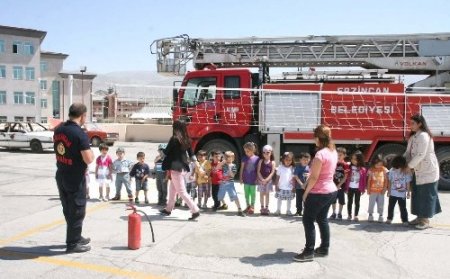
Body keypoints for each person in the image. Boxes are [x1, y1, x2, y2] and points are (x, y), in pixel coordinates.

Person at [54, 103, 94, 253]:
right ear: (83, 115)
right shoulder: (79, 134)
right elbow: (89, 159)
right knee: (77, 209)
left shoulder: (59, 129)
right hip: (75, 177)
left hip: (61, 174)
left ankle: (76, 236)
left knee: (68, 208)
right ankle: (72, 243)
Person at [294, 125, 338, 262]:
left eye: (314, 137)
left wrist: (306, 193)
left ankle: (308, 252)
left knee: (308, 220)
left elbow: (314, 177)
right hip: (331, 190)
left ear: (318, 138)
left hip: (319, 192)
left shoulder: (320, 154)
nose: (314, 140)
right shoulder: (333, 151)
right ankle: (324, 248)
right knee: (322, 219)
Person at [405, 114, 441, 229]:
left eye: (413, 123)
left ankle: (425, 220)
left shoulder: (424, 136)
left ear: (420, 124)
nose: (410, 126)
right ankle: (419, 217)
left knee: (426, 194)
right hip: (417, 170)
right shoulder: (413, 136)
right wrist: (400, 163)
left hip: (427, 171)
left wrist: (409, 166)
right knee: (417, 193)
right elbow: (407, 152)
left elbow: (421, 154)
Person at [159, 120, 200, 220]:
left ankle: (195, 210)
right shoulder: (187, 139)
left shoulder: (174, 139)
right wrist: (197, 164)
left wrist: (160, 155)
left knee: (181, 191)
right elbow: (192, 155)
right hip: (183, 167)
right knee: (172, 189)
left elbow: (165, 152)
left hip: (175, 168)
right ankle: (168, 209)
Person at [217, 151, 246, 216]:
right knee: (220, 196)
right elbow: (217, 168)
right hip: (223, 183)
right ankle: (224, 204)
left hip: (230, 184)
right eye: (225, 156)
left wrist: (229, 168)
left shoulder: (233, 166)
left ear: (232, 158)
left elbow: (232, 175)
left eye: (228, 157)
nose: (227, 158)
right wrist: (222, 162)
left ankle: (239, 209)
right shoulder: (223, 164)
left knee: (234, 196)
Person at [386, 155, 411, 225]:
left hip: (402, 194)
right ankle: (389, 218)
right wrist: (389, 191)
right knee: (391, 206)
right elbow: (390, 181)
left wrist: (408, 193)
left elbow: (407, 182)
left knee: (403, 208)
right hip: (393, 193)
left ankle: (405, 220)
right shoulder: (391, 170)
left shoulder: (405, 171)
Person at [344, 150, 367, 221]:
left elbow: (364, 180)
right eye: (352, 159)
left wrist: (363, 189)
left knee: (357, 202)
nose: (353, 161)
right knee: (349, 201)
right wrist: (346, 188)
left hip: (358, 189)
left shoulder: (363, 169)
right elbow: (346, 178)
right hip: (350, 188)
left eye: (355, 159)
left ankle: (356, 215)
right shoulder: (349, 167)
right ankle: (349, 214)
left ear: (359, 160)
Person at [367, 154, 388, 222]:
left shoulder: (384, 170)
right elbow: (369, 180)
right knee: (371, 203)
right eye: (377, 164)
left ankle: (380, 215)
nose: (379, 166)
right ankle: (370, 215)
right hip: (373, 190)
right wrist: (368, 189)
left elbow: (386, 180)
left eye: (380, 164)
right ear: (374, 163)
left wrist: (385, 189)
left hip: (381, 191)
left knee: (381, 203)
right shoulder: (371, 170)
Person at [240, 142, 259, 215]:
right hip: (246, 179)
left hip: (253, 180)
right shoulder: (244, 158)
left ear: (252, 150)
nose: (246, 153)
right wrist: (241, 178)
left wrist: (257, 178)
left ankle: (252, 206)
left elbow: (258, 169)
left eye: (247, 151)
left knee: (253, 193)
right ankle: (248, 205)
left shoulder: (257, 159)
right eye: (245, 151)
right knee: (246, 193)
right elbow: (242, 168)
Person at [329, 147, 349, 220]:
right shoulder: (333, 163)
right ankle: (333, 213)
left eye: (340, 155)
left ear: (344, 155)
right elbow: (330, 174)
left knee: (341, 200)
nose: (338, 156)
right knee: (333, 200)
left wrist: (339, 185)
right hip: (333, 185)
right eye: (337, 155)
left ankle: (340, 213)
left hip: (341, 186)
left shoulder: (345, 165)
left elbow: (346, 176)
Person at [256, 145, 276, 216]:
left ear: (271, 153)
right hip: (261, 180)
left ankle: (266, 208)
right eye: (264, 152)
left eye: (267, 152)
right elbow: (258, 171)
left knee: (267, 194)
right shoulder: (261, 161)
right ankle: (262, 207)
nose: (265, 154)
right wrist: (262, 179)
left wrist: (267, 180)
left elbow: (272, 172)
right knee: (261, 194)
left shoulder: (273, 162)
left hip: (268, 181)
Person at [274, 152, 295, 216]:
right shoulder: (280, 167)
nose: (288, 161)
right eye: (286, 160)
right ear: (283, 160)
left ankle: (288, 210)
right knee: (279, 199)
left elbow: (294, 178)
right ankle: (278, 210)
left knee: (289, 200)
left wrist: (294, 187)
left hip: (289, 187)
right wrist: (276, 185)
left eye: (290, 160)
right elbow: (277, 177)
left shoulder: (292, 168)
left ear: (292, 160)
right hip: (281, 187)